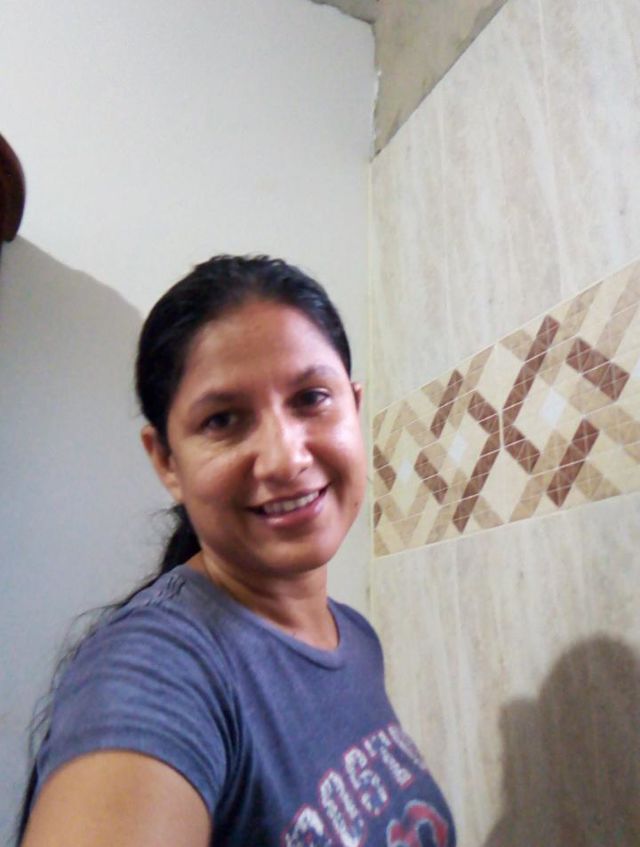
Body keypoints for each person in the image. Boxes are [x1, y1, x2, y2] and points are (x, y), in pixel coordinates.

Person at [18, 255, 456, 847]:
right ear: (166, 461)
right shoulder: (155, 668)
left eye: (311, 398)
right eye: (223, 419)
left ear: (354, 407)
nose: (286, 458)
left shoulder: (356, 639)